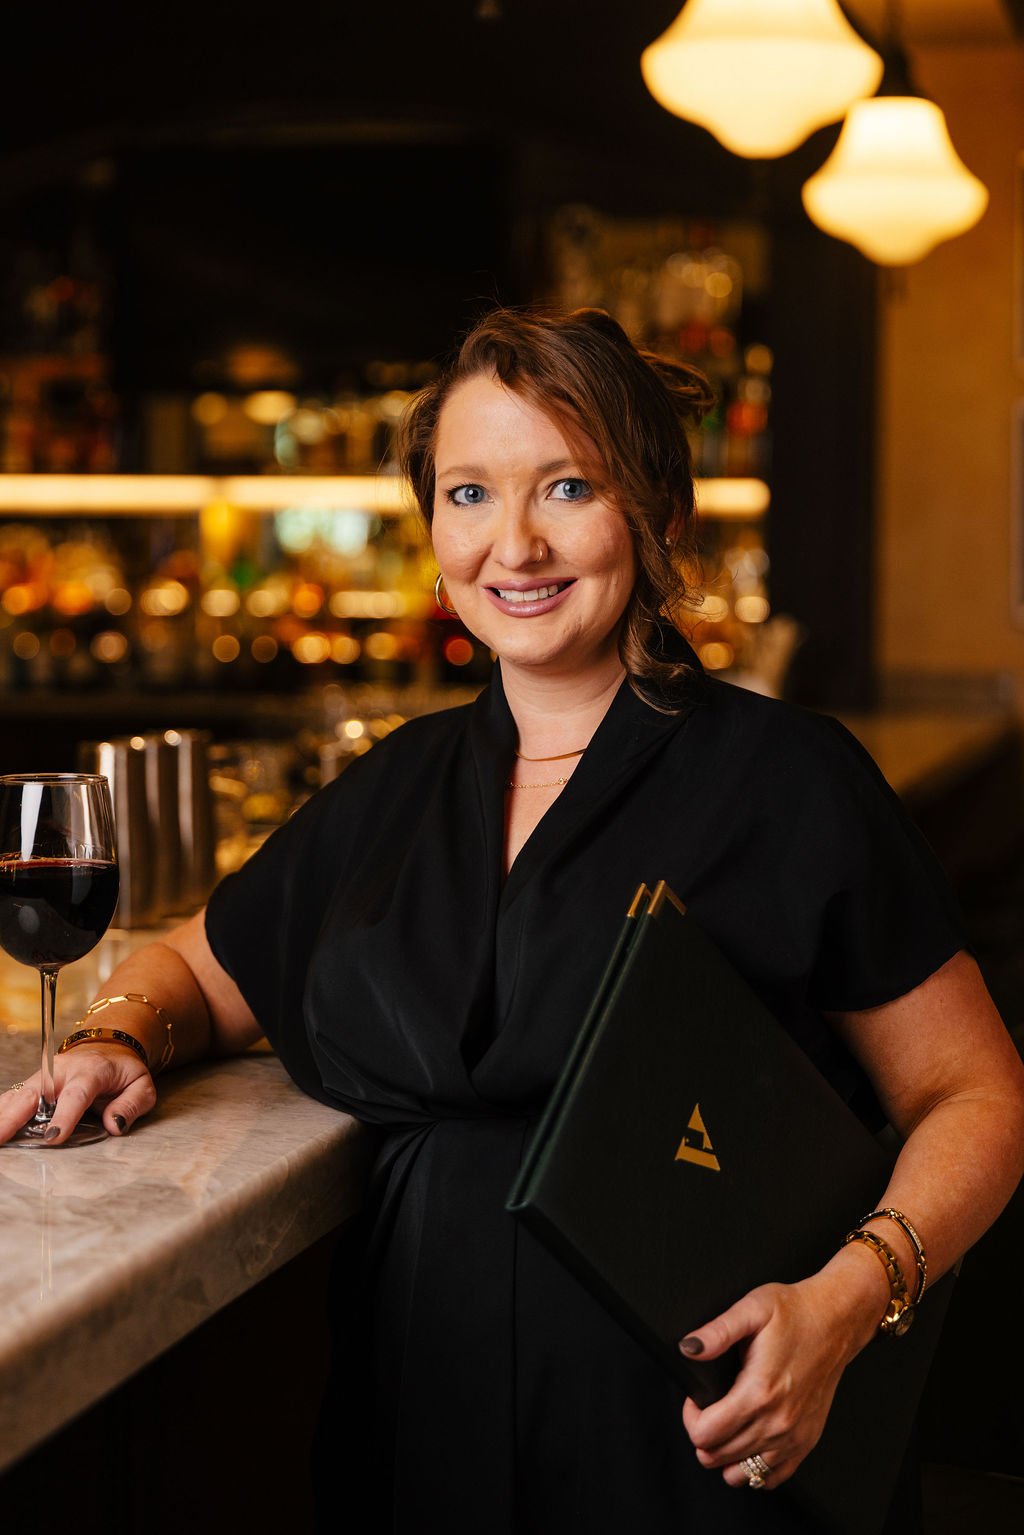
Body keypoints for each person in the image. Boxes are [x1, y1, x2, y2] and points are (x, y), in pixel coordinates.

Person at [3, 308, 1023, 1534]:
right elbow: (201, 968)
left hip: (706, 1449)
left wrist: (850, 1301)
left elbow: (976, 1093)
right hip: (420, 1431)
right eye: (470, 493)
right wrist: (117, 1034)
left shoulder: (789, 779)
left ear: (657, 513)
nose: (515, 542)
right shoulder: (398, 784)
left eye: (568, 485)